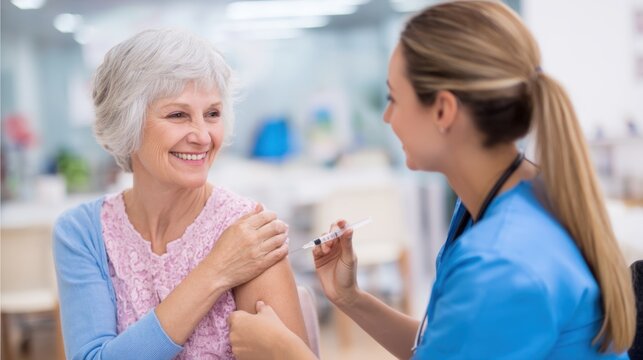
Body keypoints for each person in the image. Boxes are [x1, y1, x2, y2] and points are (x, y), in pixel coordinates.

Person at [228, 1, 636, 359]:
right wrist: (350, 299)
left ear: (442, 110)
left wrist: (284, 354)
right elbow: (445, 347)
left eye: (393, 99)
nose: (387, 118)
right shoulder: (499, 204)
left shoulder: (502, 263)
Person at [53, 29, 310, 359]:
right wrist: (216, 272)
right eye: (178, 114)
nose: (203, 137)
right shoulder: (82, 233)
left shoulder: (248, 233)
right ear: (125, 122)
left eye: (213, 114)